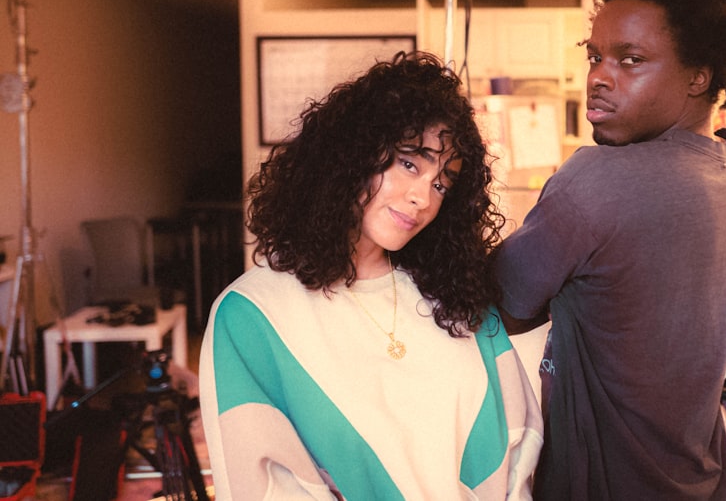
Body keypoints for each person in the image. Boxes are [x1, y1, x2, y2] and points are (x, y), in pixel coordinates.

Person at [200, 52, 542, 500]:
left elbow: (515, 443)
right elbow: (261, 483)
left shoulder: (457, 301)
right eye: (409, 164)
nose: (423, 196)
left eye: (442, 183)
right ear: (354, 154)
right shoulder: (251, 317)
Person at [493, 0, 726, 500]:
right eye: (595, 56)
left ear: (699, 76)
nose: (599, 76)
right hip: (703, 480)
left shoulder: (597, 181)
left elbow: (499, 305)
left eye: (631, 60)